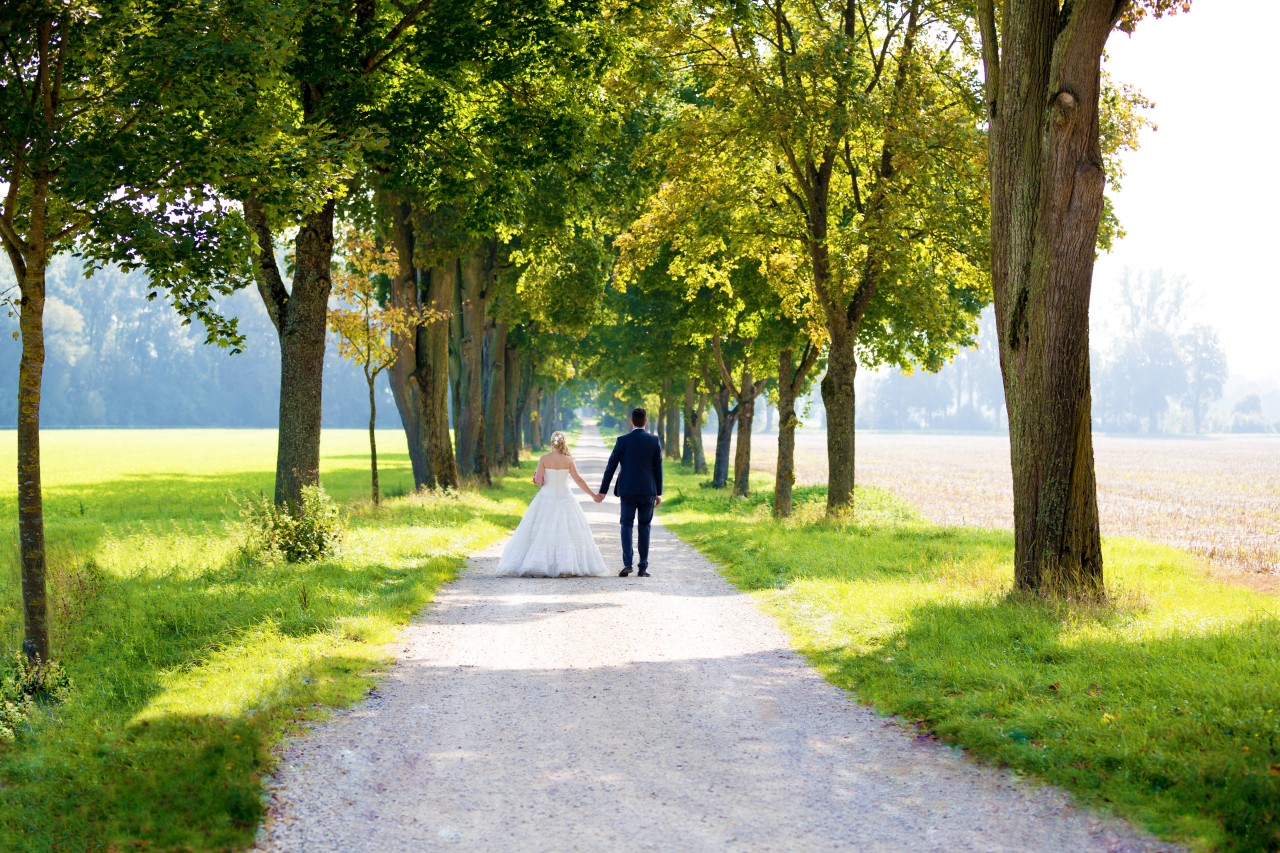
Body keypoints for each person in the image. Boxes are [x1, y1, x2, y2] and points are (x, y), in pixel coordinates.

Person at [496, 431, 608, 578]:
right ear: (564, 443)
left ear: (551, 443)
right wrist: (593, 495)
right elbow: (578, 480)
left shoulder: (544, 458)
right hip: (565, 498)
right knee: (567, 531)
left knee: (540, 530)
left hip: (546, 497)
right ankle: (566, 566)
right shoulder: (568, 460)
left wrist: (536, 479)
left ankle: (537, 565)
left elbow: (539, 481)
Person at [597, 408, 663, 577]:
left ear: (631, 421)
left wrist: (603, 491)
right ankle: (643, 567)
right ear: (646, 421)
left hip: (627, 490)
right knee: (644, 527)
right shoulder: (654, 440)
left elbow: (610, 467)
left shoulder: (622, 441)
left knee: (626, 525)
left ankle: (628, 563)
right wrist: (659, 492)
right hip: (648, 490)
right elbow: (658, 469)